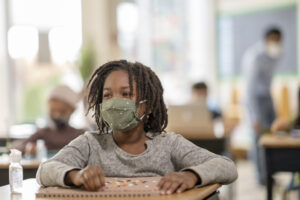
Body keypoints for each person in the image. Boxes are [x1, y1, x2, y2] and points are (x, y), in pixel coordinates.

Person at [36, 60, 238, 194]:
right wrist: (76, 175)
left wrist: (190, 175)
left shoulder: (169, 144)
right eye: (107, 95)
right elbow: (45, 170)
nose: (115, 102)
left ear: (148, 105)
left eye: (125, 94)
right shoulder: (90, 142)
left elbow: (226, 167)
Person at [243, 27, 283, 185]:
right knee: (259, 138)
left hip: (267, 97)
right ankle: (262, 177)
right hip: (255, 99)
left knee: (273, 134)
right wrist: (254, 116)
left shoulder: (276, 54)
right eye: (274, 40)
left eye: (279, 41)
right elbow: (250, 89)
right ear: (266, 40)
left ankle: (270, 172)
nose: (277, 44)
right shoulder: (254, 56)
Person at [13, 85, 85, 156]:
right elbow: (16, 147)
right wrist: (27, 147)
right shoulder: (43, 133)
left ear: (73, 110)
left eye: (62, 112)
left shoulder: (80, 134)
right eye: (53, 111)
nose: (57, 115)